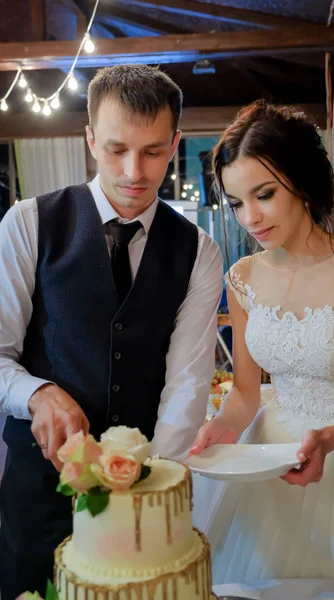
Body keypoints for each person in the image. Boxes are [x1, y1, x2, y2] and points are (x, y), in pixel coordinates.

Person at [0, 64, 222, 600]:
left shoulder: (199, 251)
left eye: (152, 151)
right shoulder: (28, 223)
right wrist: (38, 393)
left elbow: (187, 385)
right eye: (117, 148)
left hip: (141, 508)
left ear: (174, 144)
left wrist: (144, 496)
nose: (133, 171)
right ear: (90, 138)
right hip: (39, 494)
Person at [190, 99, 334, 585]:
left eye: (264, 195)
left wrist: (328, 438)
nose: (249, 218)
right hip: (269, 465)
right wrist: (218, 429)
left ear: (301, 182)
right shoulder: (242, 278)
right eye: (237, 202)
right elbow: (245, 393)